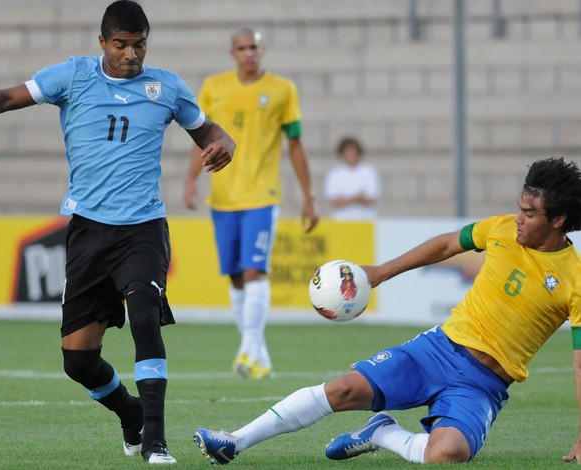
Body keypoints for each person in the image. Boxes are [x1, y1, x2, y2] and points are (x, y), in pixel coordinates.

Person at [0, 1, 235, 465]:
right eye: (122, 45)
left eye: (140, 44)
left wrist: (223, 142)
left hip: (143, 228)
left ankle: (155, 441)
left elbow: (207, 130)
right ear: (102, 42)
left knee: (145, 317)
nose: (132, 54)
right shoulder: (72, 76)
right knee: (79, 361)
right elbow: (6, 99)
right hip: (89, 231)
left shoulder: (166, 86)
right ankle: (129, 414)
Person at [193, 157, 581, 466]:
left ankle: (380, 432)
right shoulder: (499, 229)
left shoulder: (574, 280)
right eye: (519, 208)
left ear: (558, 220)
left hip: (483, 384)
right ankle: (235, 441)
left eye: (530, 213)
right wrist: (380, 273)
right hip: (437, 350)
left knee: (447, 455)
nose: (518, 218)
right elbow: (447, 245)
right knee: (344, 388)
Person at [183, 26, 318, 379]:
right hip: (222, 196)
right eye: (242, 48)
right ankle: (259, 356)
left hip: (262, 195)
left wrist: (309, 196)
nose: (249, 53)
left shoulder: (282, 90)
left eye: (254, 48)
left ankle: (246, 351)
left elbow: (295, 144)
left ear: (263, 50)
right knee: (236, 277)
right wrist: (190, 180)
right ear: (233, 53)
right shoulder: (214, 87)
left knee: (254, 270)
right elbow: (199, 138)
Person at [324, 137, 380, 220]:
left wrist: (345, 199)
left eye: (353, 151)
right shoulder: (334, 173)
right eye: (348, 152)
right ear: (342, 153)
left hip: (365, 220)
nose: (351, 155)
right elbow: (334, 202)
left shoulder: (369, 171)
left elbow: (370, 199)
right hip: (341, 220)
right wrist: (356, 198)